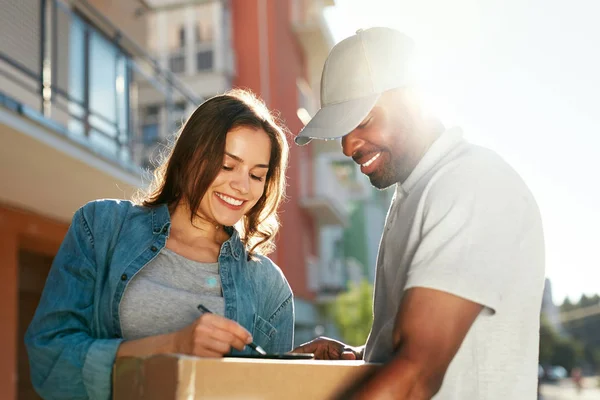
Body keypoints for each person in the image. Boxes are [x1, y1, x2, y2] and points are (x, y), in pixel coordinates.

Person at [294, 27, 546, 399]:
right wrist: (361, 357)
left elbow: (416, 373)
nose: (348, 145)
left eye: (362, 120)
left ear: (413, 100)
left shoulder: (469, 183)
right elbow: (416, 347)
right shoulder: (413, 195)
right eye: (341, 131)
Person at [25, 89, 294, 400]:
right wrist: (172, 346)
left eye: (257, 175)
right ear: (189, 156)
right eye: (226, 165)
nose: (242, 186)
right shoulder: (100, 227)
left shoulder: (269, 286)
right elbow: (49, 360)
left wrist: (303, 366)